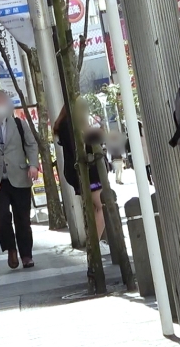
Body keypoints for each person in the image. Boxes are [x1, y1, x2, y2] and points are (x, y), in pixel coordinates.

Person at [0, 90, 40, 269]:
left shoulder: (19, 124)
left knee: (23, 218)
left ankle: (26, 255)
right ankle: (11, 249)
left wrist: (33, 165)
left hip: (19, 177)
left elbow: (31, 144)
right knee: (2, 216)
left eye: (2, 102)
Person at [53, 100, 110, 255]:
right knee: (102, 206)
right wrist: (95, 136)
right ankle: (95, 245)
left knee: (94, 208)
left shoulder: (67, 124)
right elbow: (80, 148)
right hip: (86, 171)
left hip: (81, 171)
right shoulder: (69, 125)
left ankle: (95, 243)